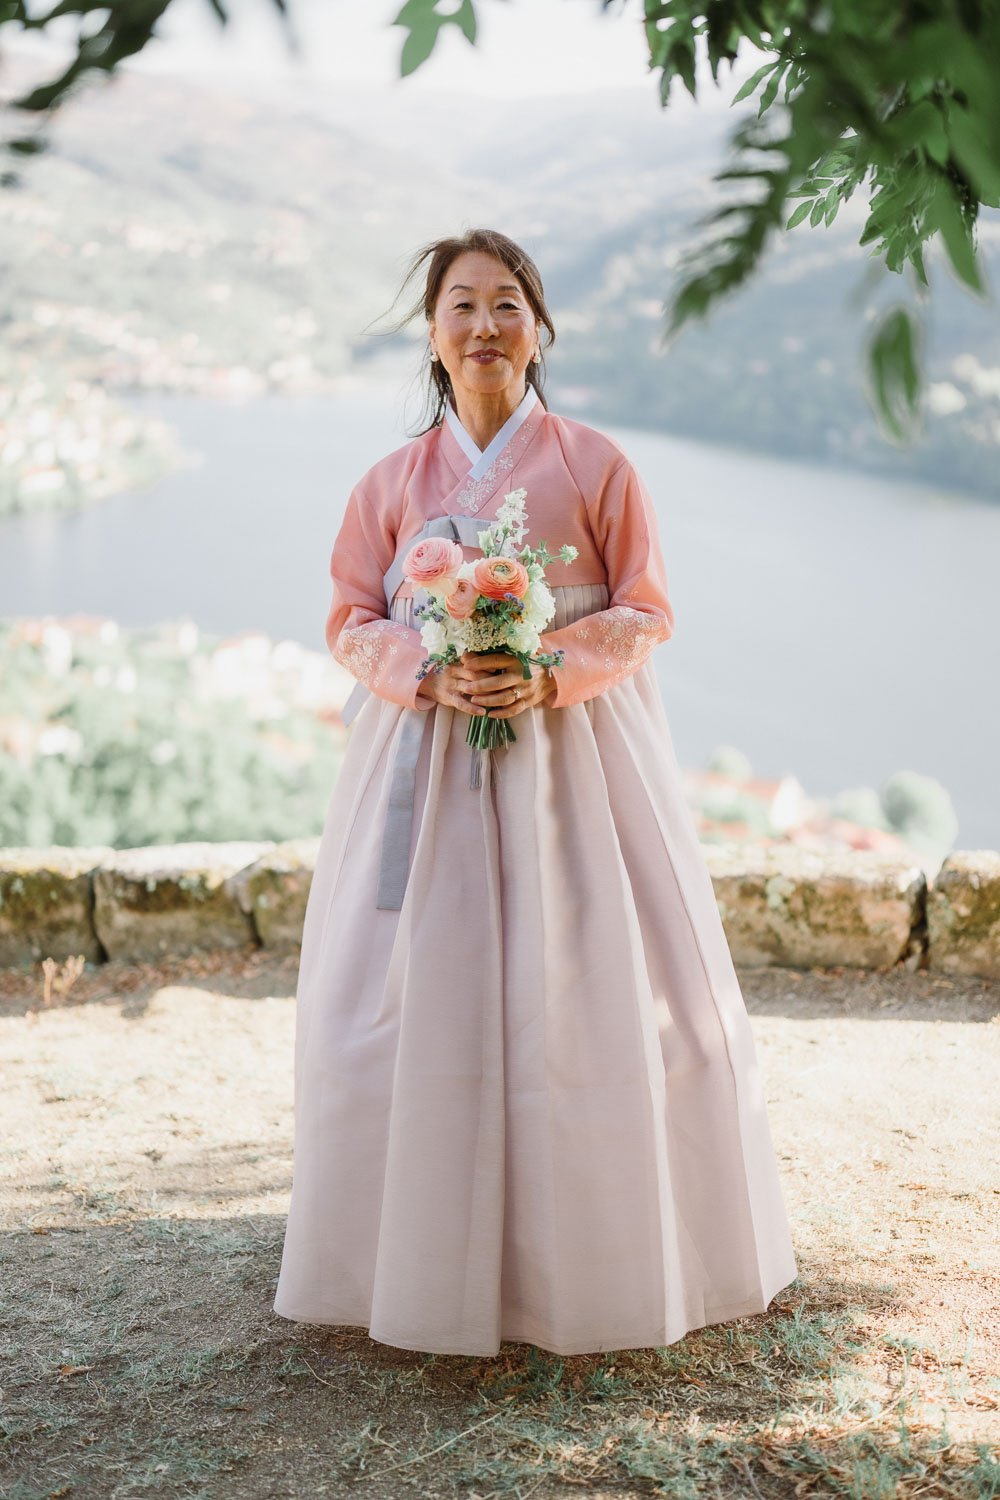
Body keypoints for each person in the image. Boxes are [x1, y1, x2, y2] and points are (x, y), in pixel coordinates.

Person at [272, 227, 798, 1357]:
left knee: (597, 996)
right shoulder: (387, 484)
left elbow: (647, 609)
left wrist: (547, 663)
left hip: (576, 766)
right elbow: (347, 619)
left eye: (506, 304)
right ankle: (405, 1256)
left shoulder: (598, 464)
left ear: (538, 327)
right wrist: (428, 665)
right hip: (424, 758)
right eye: (460, 306)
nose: (483, 327)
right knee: (406, 1005)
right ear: (430, 334)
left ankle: (598, 1259)